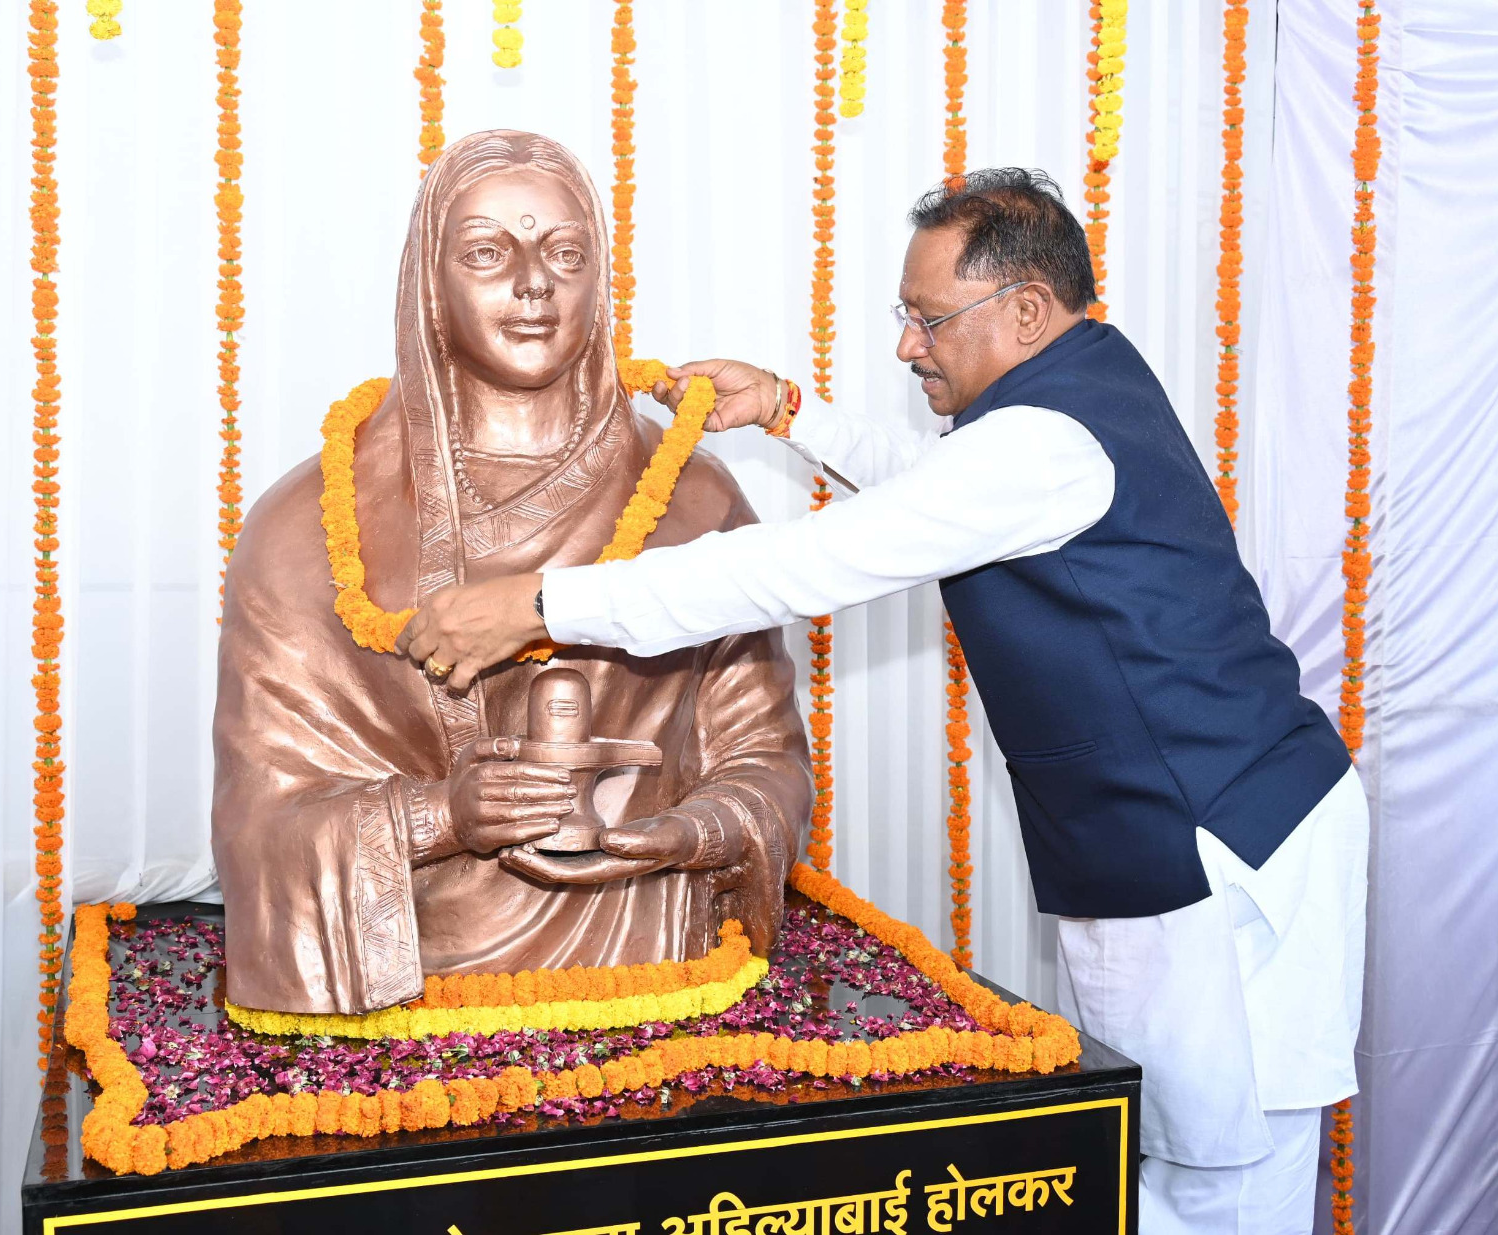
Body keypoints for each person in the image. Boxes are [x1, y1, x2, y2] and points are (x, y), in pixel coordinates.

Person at [395, 167, 1370, 1232]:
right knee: (1159, 1150)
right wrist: (789, 413)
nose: (908, 344)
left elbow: (801, 565)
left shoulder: (1042, 443)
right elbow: (939, 484)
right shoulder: (1067, 390)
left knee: (1222, 1178)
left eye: (928, 319)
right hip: (1167, 829)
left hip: (1221, 839)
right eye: (903, 315)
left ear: (1026, 311)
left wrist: (540, 602)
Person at [212, 131, 810, 1018]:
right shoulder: (307, 529)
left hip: (654, 963)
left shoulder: (693, 499)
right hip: (417, 989)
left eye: (566, 253)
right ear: (430, 282)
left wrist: (683, 833)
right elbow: (262, 818)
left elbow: (767, 761)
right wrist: (443, 817)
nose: (535, 284)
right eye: (488, 253)